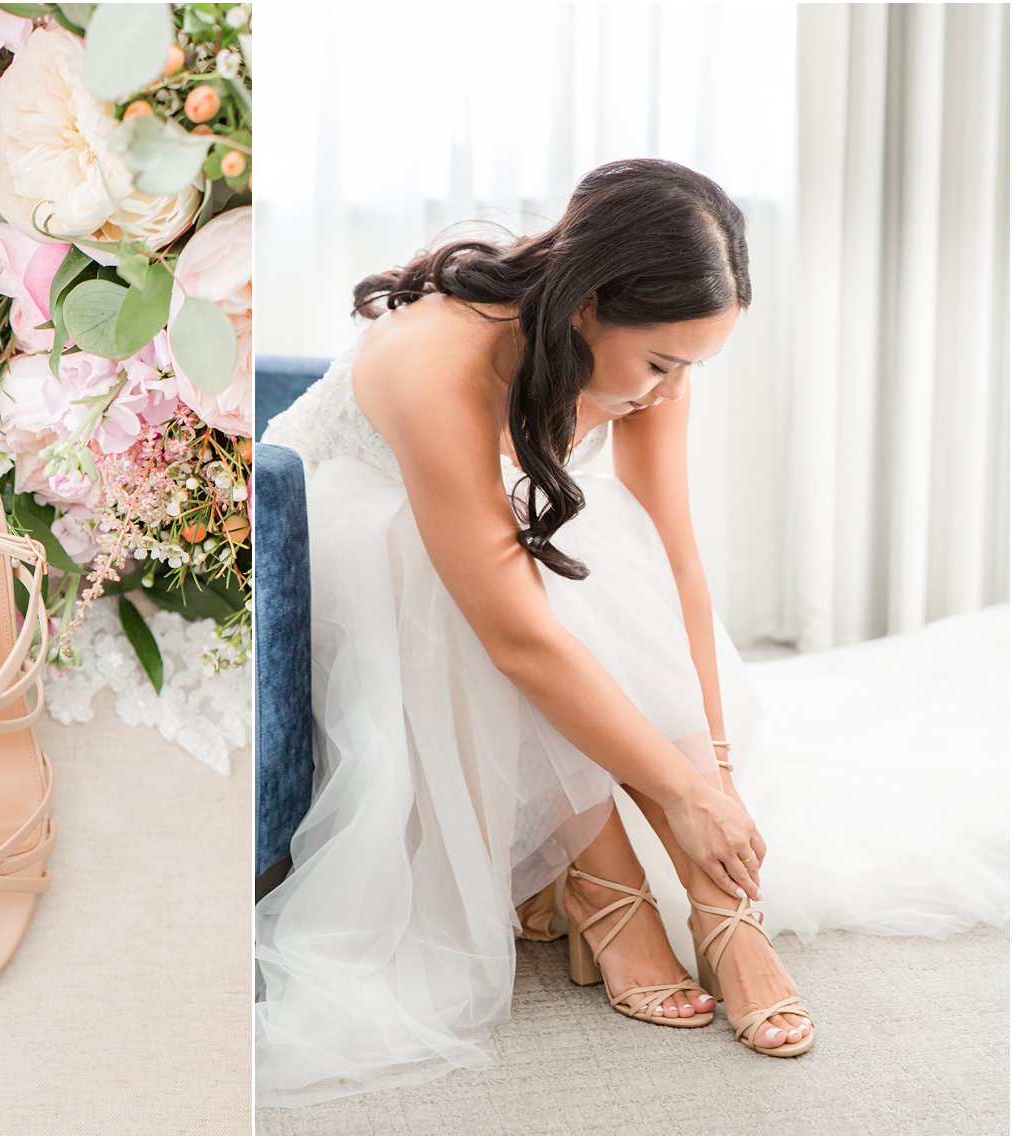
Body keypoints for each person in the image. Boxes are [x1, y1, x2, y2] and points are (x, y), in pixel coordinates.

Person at [256, 158, 811, 1105]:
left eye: (694, 367)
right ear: (590, 305)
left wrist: (709, 776)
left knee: (600, 548)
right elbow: (513, 633)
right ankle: (607, 882)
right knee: (465, 573)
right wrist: (676, 792)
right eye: (663, 364)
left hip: (487, 555)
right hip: (335, 568)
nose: (670, 391)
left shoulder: (651, 355)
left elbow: (672, 554)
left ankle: (718, 905)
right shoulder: (437, 357)